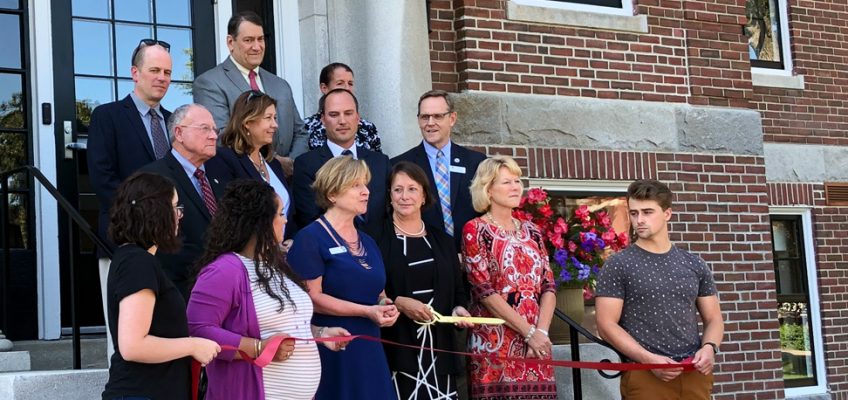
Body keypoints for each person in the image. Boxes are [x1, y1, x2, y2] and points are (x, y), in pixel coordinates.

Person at [187, 179, 350, 400]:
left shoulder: (277, 266)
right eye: (281, 214)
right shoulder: (224, 270)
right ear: (261, 222)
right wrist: (257, 347)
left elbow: (283, 325)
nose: (285, 221)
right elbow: (199, 329)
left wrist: (320, 333)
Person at [595, 179, 724, 400]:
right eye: (634, 213)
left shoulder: (694, 263)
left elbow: (714, 318)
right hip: (645, 376)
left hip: (694, 373)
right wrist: (647, 359)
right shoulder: (618, 264)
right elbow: (606, 324)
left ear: (667, 213)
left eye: (647, 212)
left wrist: (710, 347)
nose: (639, 220)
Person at [88, 38, 173, 358]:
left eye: (167, 72)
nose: (162, 77)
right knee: (124, 336)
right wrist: (146, 222)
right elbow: (103, 178)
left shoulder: (173, 121)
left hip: (170, 242)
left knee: (163, 325)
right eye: (154, 70)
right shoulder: (107, 116)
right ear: (134, 73)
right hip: (123, 239)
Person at [288, 156, 399, 400]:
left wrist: (384, 306)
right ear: (332, 195)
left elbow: (378, 292)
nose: (365, 192)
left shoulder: (367, 241)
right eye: (356, 185)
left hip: (369, 348)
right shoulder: (310, 238)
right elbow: (312, 298)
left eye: (366, 185)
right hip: (333, 347)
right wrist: (366, 311)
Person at [102, 172, 220, 400]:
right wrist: (193, 346)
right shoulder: (137, 262)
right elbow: (133, 346)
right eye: (175, 207)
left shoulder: (134, 259)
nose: (179, 215)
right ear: (156, 212)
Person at [462, 155, 557, 399]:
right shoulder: (475, 229)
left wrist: (541, 334)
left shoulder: (532, 230)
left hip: (537, 341)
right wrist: (528, 333)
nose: (515, 187)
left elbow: (548, 285)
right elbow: (483, 291)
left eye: (517, 181)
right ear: (488, 190)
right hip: (496, 342)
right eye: (506, 182)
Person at [377, 161, 472, 400]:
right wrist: (398, 302)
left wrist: (459, 309)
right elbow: (368, 287)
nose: (404, 196)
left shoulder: (442, 240)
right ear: (389, 195)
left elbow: (458, 290)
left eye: (412, 189)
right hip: (398, 346)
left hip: (439, 347)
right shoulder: (375, 237)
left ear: (423, 196)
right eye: (397, 189)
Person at [193, 11, 308, 160]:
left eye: (260, 39)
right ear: (230, 42)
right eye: (248, 40)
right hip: (242, 177)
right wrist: (273, 164)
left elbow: (300, 132)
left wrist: (292, 163)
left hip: (289, 178)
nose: (257, 47)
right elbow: (221, 137)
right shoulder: (210, 83)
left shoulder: (281, 85)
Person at [140, 103, 222, 299]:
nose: (214, 136)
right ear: (179, 133)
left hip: (220, 288)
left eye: (214, 130)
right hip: (178, 291)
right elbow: (158, 245)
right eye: (205, 129)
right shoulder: (154, 178)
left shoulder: (218, 174)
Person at [393, 89, 486, 250]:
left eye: (437, 116)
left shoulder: (476, 162)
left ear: (452, 118)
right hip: (423, 256)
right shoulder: (400, 164)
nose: (430, 123)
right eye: (424, 117)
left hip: (470, 257)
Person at [292, 88, 390, 239]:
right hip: (331, 255)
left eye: (348, 113)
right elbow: (309, 219)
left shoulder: (380, 163)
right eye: (334, 114)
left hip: (379, 254)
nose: (342, 121)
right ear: (323, 120)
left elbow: (388, 215)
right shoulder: (306, 164)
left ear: (358, 117)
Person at [206, 90, 296, 239]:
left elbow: (291, 214)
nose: (275, 125)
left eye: (275, 118)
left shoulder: (273, 164)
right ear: (247, 122)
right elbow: (230, 214)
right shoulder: (224, 159)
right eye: (268, 118)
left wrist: (292, 240)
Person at [305, 62, 381, 152]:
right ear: (324, 88)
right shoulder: (306, 128)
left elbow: (377, 162)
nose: (347, 88)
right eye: (340, 83)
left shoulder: (368, 128)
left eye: (350, 83)